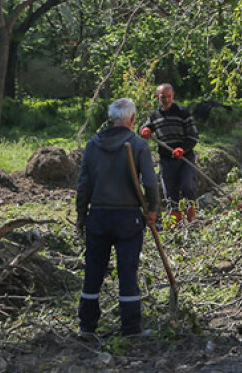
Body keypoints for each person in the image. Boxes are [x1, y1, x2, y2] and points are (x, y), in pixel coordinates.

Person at [76, 98, 161, 337]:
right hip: (128, 218)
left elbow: (83, 184)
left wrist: (81, 215)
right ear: (132, 119)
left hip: (98, 216)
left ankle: (87, 325)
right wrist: (153, 208)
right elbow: (151, 182)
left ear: (112, 118)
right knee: (127, 272)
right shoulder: (138, 145)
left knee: (93, 271)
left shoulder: (93, 145)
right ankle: (131, 328)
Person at [140, 83, 200, 222]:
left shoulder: (182, 112)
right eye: (162, 97)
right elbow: (145, 127)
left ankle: (191, 213)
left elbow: (193, 136)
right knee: (169, 191)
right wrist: (145, 130)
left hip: (184, 157)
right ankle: (175, 221)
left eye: (168, 97)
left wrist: (183, 149)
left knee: (187, 185)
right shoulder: (155, 115)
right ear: (157, 97)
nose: (166, 100)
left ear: (173, 96)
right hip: (166, 159)